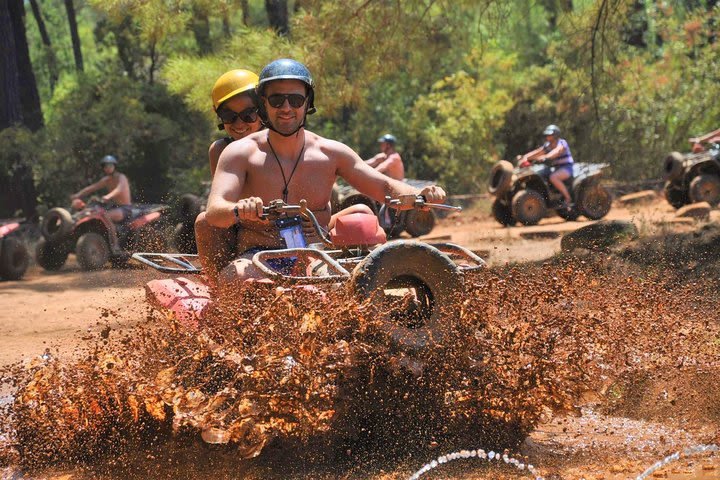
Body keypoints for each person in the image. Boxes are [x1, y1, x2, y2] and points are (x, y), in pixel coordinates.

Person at [205, 58, 445, 291]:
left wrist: (419, 195)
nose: (287, 108)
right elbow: (215, 212)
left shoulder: (332, 153)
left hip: (316, 256)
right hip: (258, 258)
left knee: (343, 286)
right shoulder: (237, 153)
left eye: (296, 99)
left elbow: (383, 186)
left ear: (308, 103)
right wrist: (239, 209)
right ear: (264, 104)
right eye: (277, 100)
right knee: (233, 280)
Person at [195, 69, 264, 283]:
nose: (239, 123)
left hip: (291, 229)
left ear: (263, 109)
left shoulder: (281, 142)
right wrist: (243, 209)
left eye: (248, 114)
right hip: (245, 232)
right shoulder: (220, 150)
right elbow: (220, 205)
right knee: (204, 221)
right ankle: (219, 289)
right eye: (229, 116)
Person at [518, 124, 574, 208]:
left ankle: (568, 198)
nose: (547, 136)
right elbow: (538, 152)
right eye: (547, 135)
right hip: (556, 168)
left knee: (553, 177)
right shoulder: (548, 145)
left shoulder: (562, 142)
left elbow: (557, 151)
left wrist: (546, 157)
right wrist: (525, 157)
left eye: (550, 135)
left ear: (555, 135)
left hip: (566, 167)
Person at [70, 155, 132, 222]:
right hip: (113, 206)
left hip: (125, 208)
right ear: (103, 168)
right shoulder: (106, 180)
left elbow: (118, 189)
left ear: (114, 166)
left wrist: (108, 196)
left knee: (102, 217)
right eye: (106, 166)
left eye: (110, 166)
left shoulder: (121, 177)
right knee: (92, 212)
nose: (108, 168)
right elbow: (91, 188)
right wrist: (78, 195)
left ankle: (113, 233)